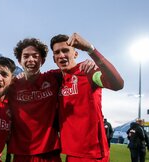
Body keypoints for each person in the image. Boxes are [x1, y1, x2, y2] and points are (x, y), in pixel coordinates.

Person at [0, 38, 95, 162]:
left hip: (49, 154)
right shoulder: (12, 84)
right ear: (20, 61)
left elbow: (71, 68)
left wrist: (87, 63)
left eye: (36, 56)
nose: (31, 60)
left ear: (42, 60)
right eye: (26, 56)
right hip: (21, 154)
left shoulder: (54, 78)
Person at [50, 33, 124, 162]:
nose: (61, 55)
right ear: (54, 58)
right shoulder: (55, 79)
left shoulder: (88, 71)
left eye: (66, 50)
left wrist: (91, 50)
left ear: (76, 54)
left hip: (92, 154)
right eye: (57, 52)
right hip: (70, 152)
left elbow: (117, 84)